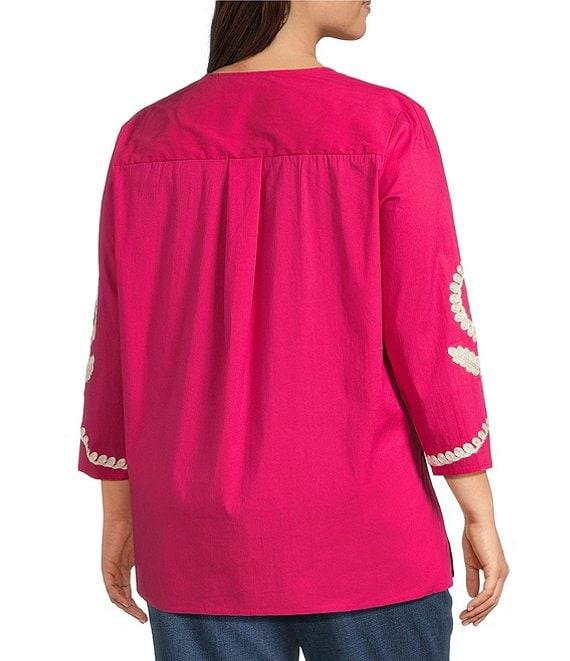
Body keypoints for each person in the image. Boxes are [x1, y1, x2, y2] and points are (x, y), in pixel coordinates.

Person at [78, 1, 509, 659]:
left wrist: (118, 509)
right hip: (368, 539)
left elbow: (117, 337)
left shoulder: (145, 139)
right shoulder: (388, 125)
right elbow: (429, 329)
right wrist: (477, 504)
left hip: (194, 541)